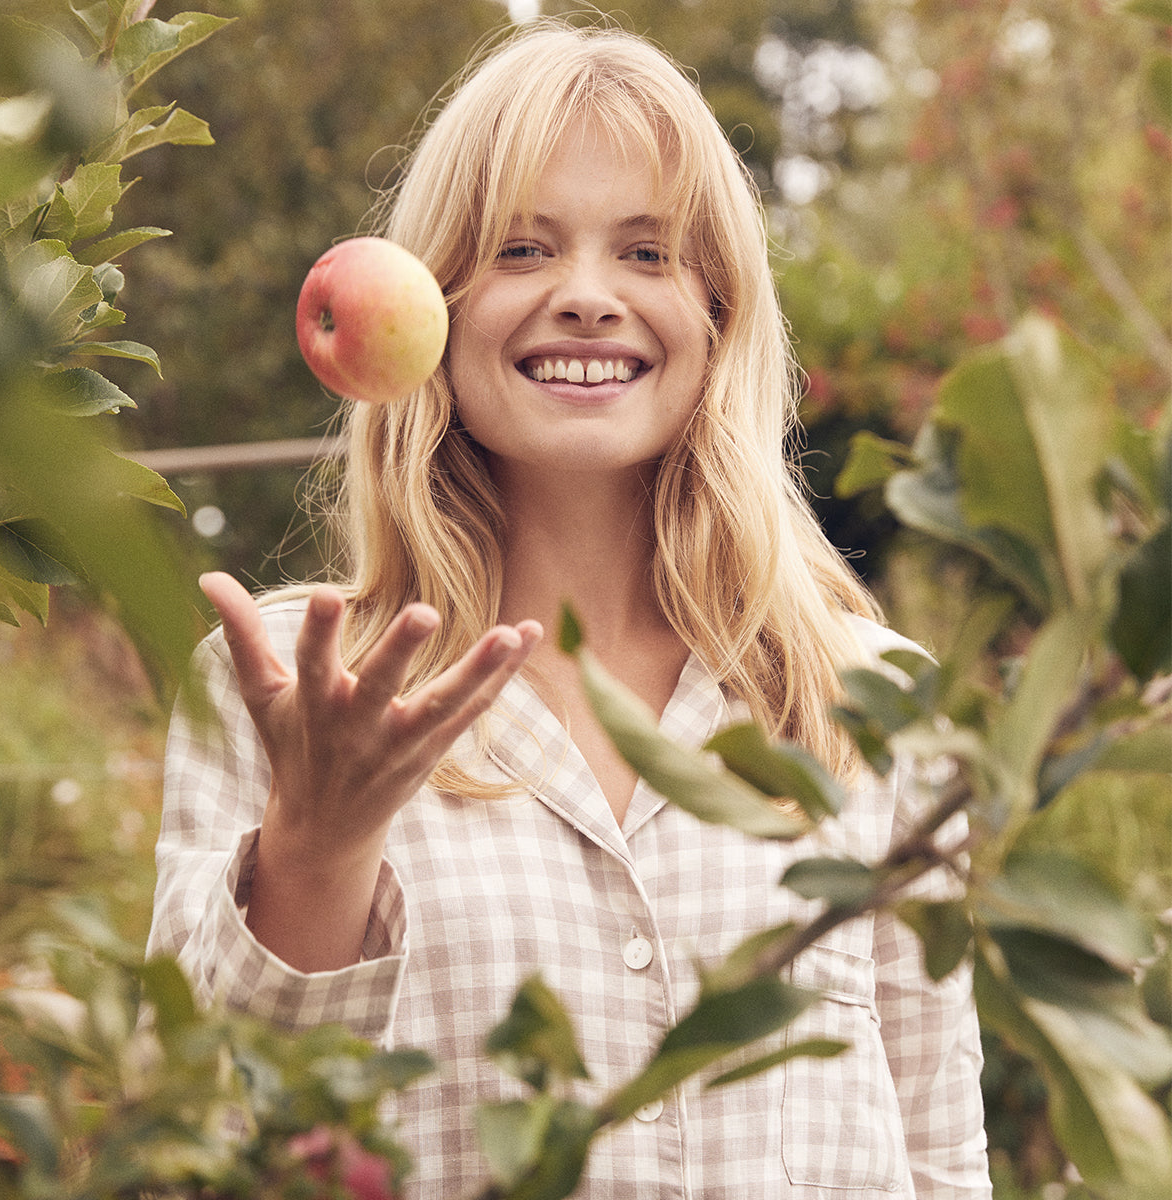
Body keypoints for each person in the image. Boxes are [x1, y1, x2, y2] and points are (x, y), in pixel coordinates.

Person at [148, 18, 991, 1198]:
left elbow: (942, 1155)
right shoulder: (295, 692)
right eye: (522, 251)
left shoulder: (868, 700)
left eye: (646, 255)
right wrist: (315, 848)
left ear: (719, 314)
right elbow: (205, 1142)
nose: (588, 298)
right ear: (432, 311)